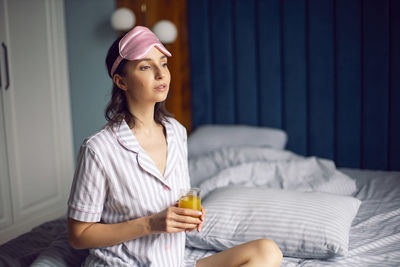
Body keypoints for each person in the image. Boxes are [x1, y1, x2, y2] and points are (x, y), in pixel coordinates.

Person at [67, 26, 283, 267]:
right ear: (121, 81)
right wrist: (150, 224)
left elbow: (173, 198)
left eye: (164, 63)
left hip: (172, 262)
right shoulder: (98, 149)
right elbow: (78, 235)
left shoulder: (176, 132)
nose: (161, 74)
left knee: (266, 251)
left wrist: (187, 214)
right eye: (146, 66)